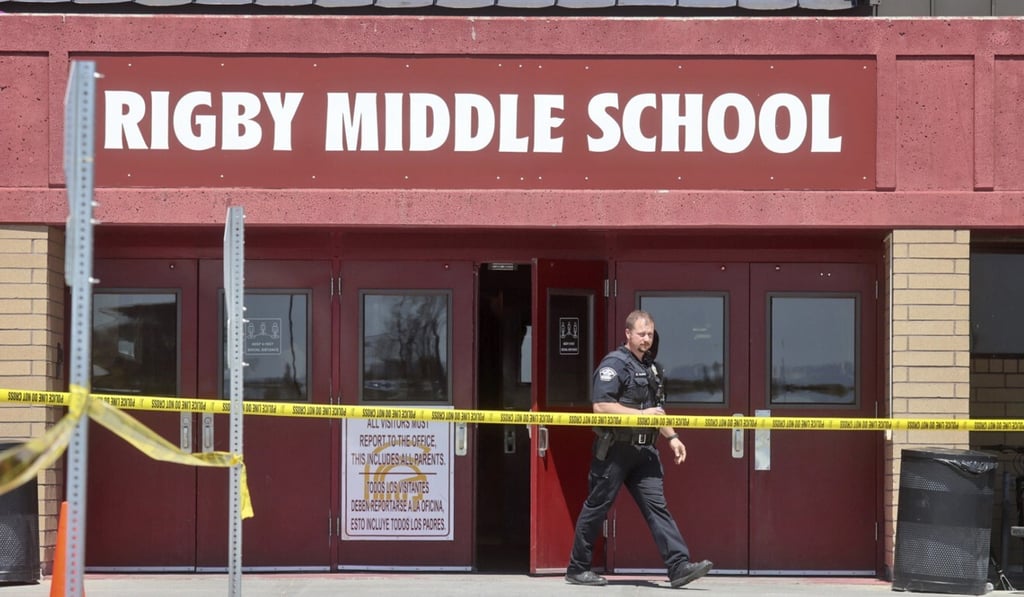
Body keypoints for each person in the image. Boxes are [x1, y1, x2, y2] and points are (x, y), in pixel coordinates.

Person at [565, 310, 713, 589]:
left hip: (644, 453)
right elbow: (601, 406)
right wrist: (641, 415)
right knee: (597, 507)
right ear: (628, 334)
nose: (646, 339)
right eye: (641, 334)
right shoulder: (615, 363)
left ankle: (678, 566)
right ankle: (578, 567)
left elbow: (655, 411)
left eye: (650, 334)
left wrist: (672, 438)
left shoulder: (651, 367)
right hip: (615, 451)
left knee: (658, 508)